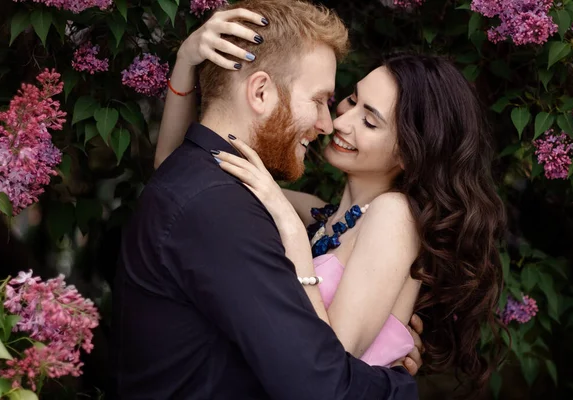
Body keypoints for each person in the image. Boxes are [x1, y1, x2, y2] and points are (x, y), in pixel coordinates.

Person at [154, 0, 506, 396]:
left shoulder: (394, 216)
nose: (338, 121)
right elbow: (185, 173)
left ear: (410, 153)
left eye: (370, 121)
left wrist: (290, 231)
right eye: (352, 101)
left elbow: (328, 361)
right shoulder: (319, 214)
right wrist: (186, 61)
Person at [111, 1, 421, 399]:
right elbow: (320, 383)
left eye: (370, 118)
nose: (332, 124)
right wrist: (399, 386)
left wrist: (388, 341)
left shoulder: (208, 181)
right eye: (325, 100)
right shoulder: (221, 207)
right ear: (259, 92)